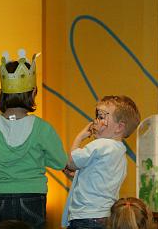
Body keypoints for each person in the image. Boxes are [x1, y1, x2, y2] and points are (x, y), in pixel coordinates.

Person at [0, 50, 68, 229]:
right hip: (33, 196)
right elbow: (60, 161)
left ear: (1, 93)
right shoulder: (43, 128)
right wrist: (40, 158)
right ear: (33, 93)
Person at [62, 95, 141, 228]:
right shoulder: (120, 153)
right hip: (105, 216)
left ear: (119, 127)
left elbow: (71, 162)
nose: (95, 121)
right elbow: (99, 179)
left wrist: (80, 136)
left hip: (86, 216)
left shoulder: (100, 145)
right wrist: (77, 175)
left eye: (101, 117)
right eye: (97, 116)